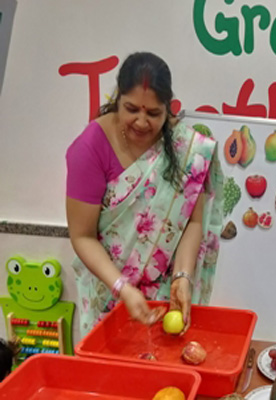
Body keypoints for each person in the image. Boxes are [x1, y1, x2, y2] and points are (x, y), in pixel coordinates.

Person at [66, 52, 223, 338]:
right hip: (109, 296)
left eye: (154, 113)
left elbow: (193, 222)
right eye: (131, 109)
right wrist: (122, 288)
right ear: (117, 99)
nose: (141, 122)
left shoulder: (185, 148)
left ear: (168, 109)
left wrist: (182, 278)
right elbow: (82, 236)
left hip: (165, 301)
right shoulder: (90, 148)